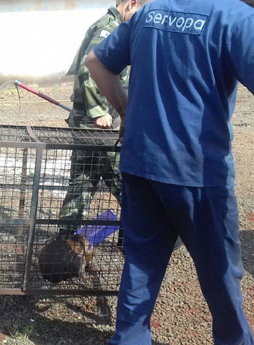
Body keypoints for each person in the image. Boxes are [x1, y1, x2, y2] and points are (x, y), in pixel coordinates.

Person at [86, 0, 254, 343]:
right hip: (197, 175)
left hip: (140, 164)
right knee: (221, 277)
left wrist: (126, 111)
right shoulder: (236, 17)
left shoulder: (149, 14)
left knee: (141, 266)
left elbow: (96, 62)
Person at [59, 0, 150, 240]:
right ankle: (136, 236)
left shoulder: (114, 27)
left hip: (94, 123)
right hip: (98, 125)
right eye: (140, 12)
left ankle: (66, 239)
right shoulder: (108, 27)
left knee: (84, 179)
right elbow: (89, 69)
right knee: (124, 178)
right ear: (131, 4)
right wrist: (99, 110)